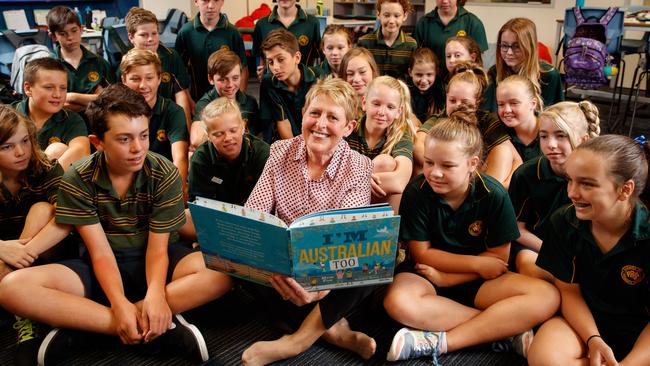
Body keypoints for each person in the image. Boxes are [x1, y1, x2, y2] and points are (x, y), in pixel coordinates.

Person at [0, 84, 232, 365]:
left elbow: (157, 250)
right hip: (101, 266)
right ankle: (146, 326)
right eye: (124, 139)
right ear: (98, 142)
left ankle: (92, 325)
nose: (137, 148)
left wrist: (156, 294)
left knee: (221, 273)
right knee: (11, 288)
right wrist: (119, 302)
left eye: (143, 136)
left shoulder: (164, 172)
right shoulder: (79, 176)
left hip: (158, 259)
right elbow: (100, 253)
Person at [383, 109, 560, 363]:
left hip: (478, 280)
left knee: (547, 296)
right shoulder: (417, 191)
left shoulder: (494, 194)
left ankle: (440, 339)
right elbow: (422, 254)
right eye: (430, 162)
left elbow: (498, 261)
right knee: (396, 302)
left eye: (447, 165)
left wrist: (450, 279)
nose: (435, 172)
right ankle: (505, 331)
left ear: (472, 164)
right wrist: (474, 264)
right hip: (427, 273)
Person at [240, 77, 377, 365]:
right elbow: (255, 214)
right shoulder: (279, 151)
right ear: (303, 114)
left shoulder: (358, 166)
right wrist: (273, 264)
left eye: (333, 117)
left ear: (349, 127)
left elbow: (346, 239)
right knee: (239, 257)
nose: (320, 124)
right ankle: (332, 331)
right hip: (282, 265)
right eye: (314, 113)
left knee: (372, 261)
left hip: (330, 269)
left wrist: (322, 286)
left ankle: (296, 341)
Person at [528, 135, 650, 366]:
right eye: (570, 181)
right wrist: (593, 339)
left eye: (587, 184)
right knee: (544, 358)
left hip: (641, 329)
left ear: (625, 190)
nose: (572, 192)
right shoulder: (564, 221)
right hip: (583, 320)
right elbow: (570, 291)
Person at [0, 106, 79, 365]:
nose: (21, 152)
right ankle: (24, 308)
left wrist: (24, 251)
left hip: (45, 250)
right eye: (7, 147)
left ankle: (24, 315)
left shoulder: (44, 166)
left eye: (25, 141)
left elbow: (67, 217)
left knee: (43, 208)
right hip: (4, 251)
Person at [508, 101, 600, 279]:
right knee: (533, 267)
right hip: (535, 246)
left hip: (579, 249)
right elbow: (517, 228)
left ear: (584, 139)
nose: (550, 144)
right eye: (543, 136)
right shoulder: (526, 174)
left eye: (561, 136)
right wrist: (551, 252)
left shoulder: (597, 176)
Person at [414, 62, 521, 186]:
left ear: (477, 102)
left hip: (480, 176)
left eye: (465, 101)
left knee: (503, 151)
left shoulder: (486, 120)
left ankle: (486, 196)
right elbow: (418, 146)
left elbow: (516, 160)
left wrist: (502, 189)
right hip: (448, 175)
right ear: (446, 98)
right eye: (452, 100)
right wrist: (451, 166)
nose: (457, 106)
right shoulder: (438, 119)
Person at [179, 97, 269, 241]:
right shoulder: (200, 159)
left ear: (243, 127)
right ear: (208, 135)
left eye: (233, 130)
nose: (228, 138)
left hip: (255, 218)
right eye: (218, 134)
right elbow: (198, 206)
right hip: (217, 220)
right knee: (181, 219)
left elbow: (269, 202)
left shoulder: (261, 152)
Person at [120, 49, 189, 199]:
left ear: (159, 79)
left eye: (149, 78)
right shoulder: (115, 113)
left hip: (162, 181)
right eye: (135, 79)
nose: (143, 85)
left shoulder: (173, 111)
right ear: (124, 80)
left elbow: (180, 157)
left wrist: (174, 194)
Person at [346, 76, 416, 213]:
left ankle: (385, 230)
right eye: (376, 104)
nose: (382, 112)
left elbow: (399, 181)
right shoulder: (350, 128)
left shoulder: (400, 135)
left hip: (379, 202)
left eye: (390, 107)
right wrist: (365, 178)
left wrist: (362, 179)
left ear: (398, 112)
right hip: (347, 200)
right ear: (364, 103)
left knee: (385, 162)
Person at [14, 58, 90, 171]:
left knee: (57, 150)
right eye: (49, 88)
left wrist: (45, 181)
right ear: (28, 88)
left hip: (48, 183)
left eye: (63, 88)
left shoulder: (71, 119)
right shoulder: (8, 116)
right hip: (12, 180)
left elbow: (82, 152)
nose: (57, 94)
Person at [124, 7, 193, 129]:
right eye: (144, 35)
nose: (150, 39)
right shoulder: (126, 63)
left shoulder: (171, 57)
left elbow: (181, 95)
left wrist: (186, 130)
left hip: (168, 119)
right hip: (136, 122)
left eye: (154, 33)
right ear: (131, 37)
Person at [483, 18, 563, 112]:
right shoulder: (495, 72)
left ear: (530, 47)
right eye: (504, 46)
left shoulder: (549, 75)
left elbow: (556, 116)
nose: (509, 52)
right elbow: (487, 112)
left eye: (516, 46)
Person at [175, 0, 248, 100]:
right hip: (197, 100)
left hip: (227, 101)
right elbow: (178, 73)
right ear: (196, 1)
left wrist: (238, 100)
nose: (211, 6)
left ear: (222, 1)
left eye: (216, 0)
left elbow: (243, 69)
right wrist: (189, 102)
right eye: (205, 0)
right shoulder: (185, 32)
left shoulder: (233, 32)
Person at [46, 6, 113, 112]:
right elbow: (47, 104)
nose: (70, 37)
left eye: (74, 31)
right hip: (62, 125)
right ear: (53, 36)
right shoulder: (47, 66)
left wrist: (72, 97)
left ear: (81, 29)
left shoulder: (99, 63)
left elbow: (111, 100)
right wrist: (95, 99)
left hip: (96, 125)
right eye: (63, 34)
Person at [190, 49, 260, 151]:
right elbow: (196, 141)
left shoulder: (250, 102)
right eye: (223, 79)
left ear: (241, 75)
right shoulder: (205, 104)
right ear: (210, 79)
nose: (230, 85)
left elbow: (256, 136)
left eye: (235, 78)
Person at [259, 29, 320, 141]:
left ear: (297, 57)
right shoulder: (269, 82)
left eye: (281, 59)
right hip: (290, 143)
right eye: (270, 62)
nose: (275, 67)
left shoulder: (319, 78)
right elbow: (283, 123)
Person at [414, 0, 488, 77]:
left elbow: (478, 61)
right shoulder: (424, 22)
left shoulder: (472, 22)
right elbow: (416, 58)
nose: (445, 1)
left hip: (464, 79)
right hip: (431, 81)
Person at [253, 0, 321, 79]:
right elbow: (260, 54)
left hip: (304, 83)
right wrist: (262, 72)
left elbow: (320, 55)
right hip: (273, 83)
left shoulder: (312, 23)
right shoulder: (262, 24)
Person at [357, 0, 417, 79]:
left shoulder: (411, 45)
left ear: (405, 16)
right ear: (378, 14)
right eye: (386, 15)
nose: (391, 21)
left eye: (397, 16)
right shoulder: (364, 43)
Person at [496, 75, 543, 162]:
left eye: (514, 103)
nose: (507, 110)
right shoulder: (498, 131)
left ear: (533, 104)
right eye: (501, 104)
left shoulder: (551, 130)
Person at [407, 47, 445, 124]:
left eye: (429, 75)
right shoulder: (405, 92)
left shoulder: (441, 93)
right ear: (410, 72)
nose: (424, 80)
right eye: (419, 75)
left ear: (436, 72)